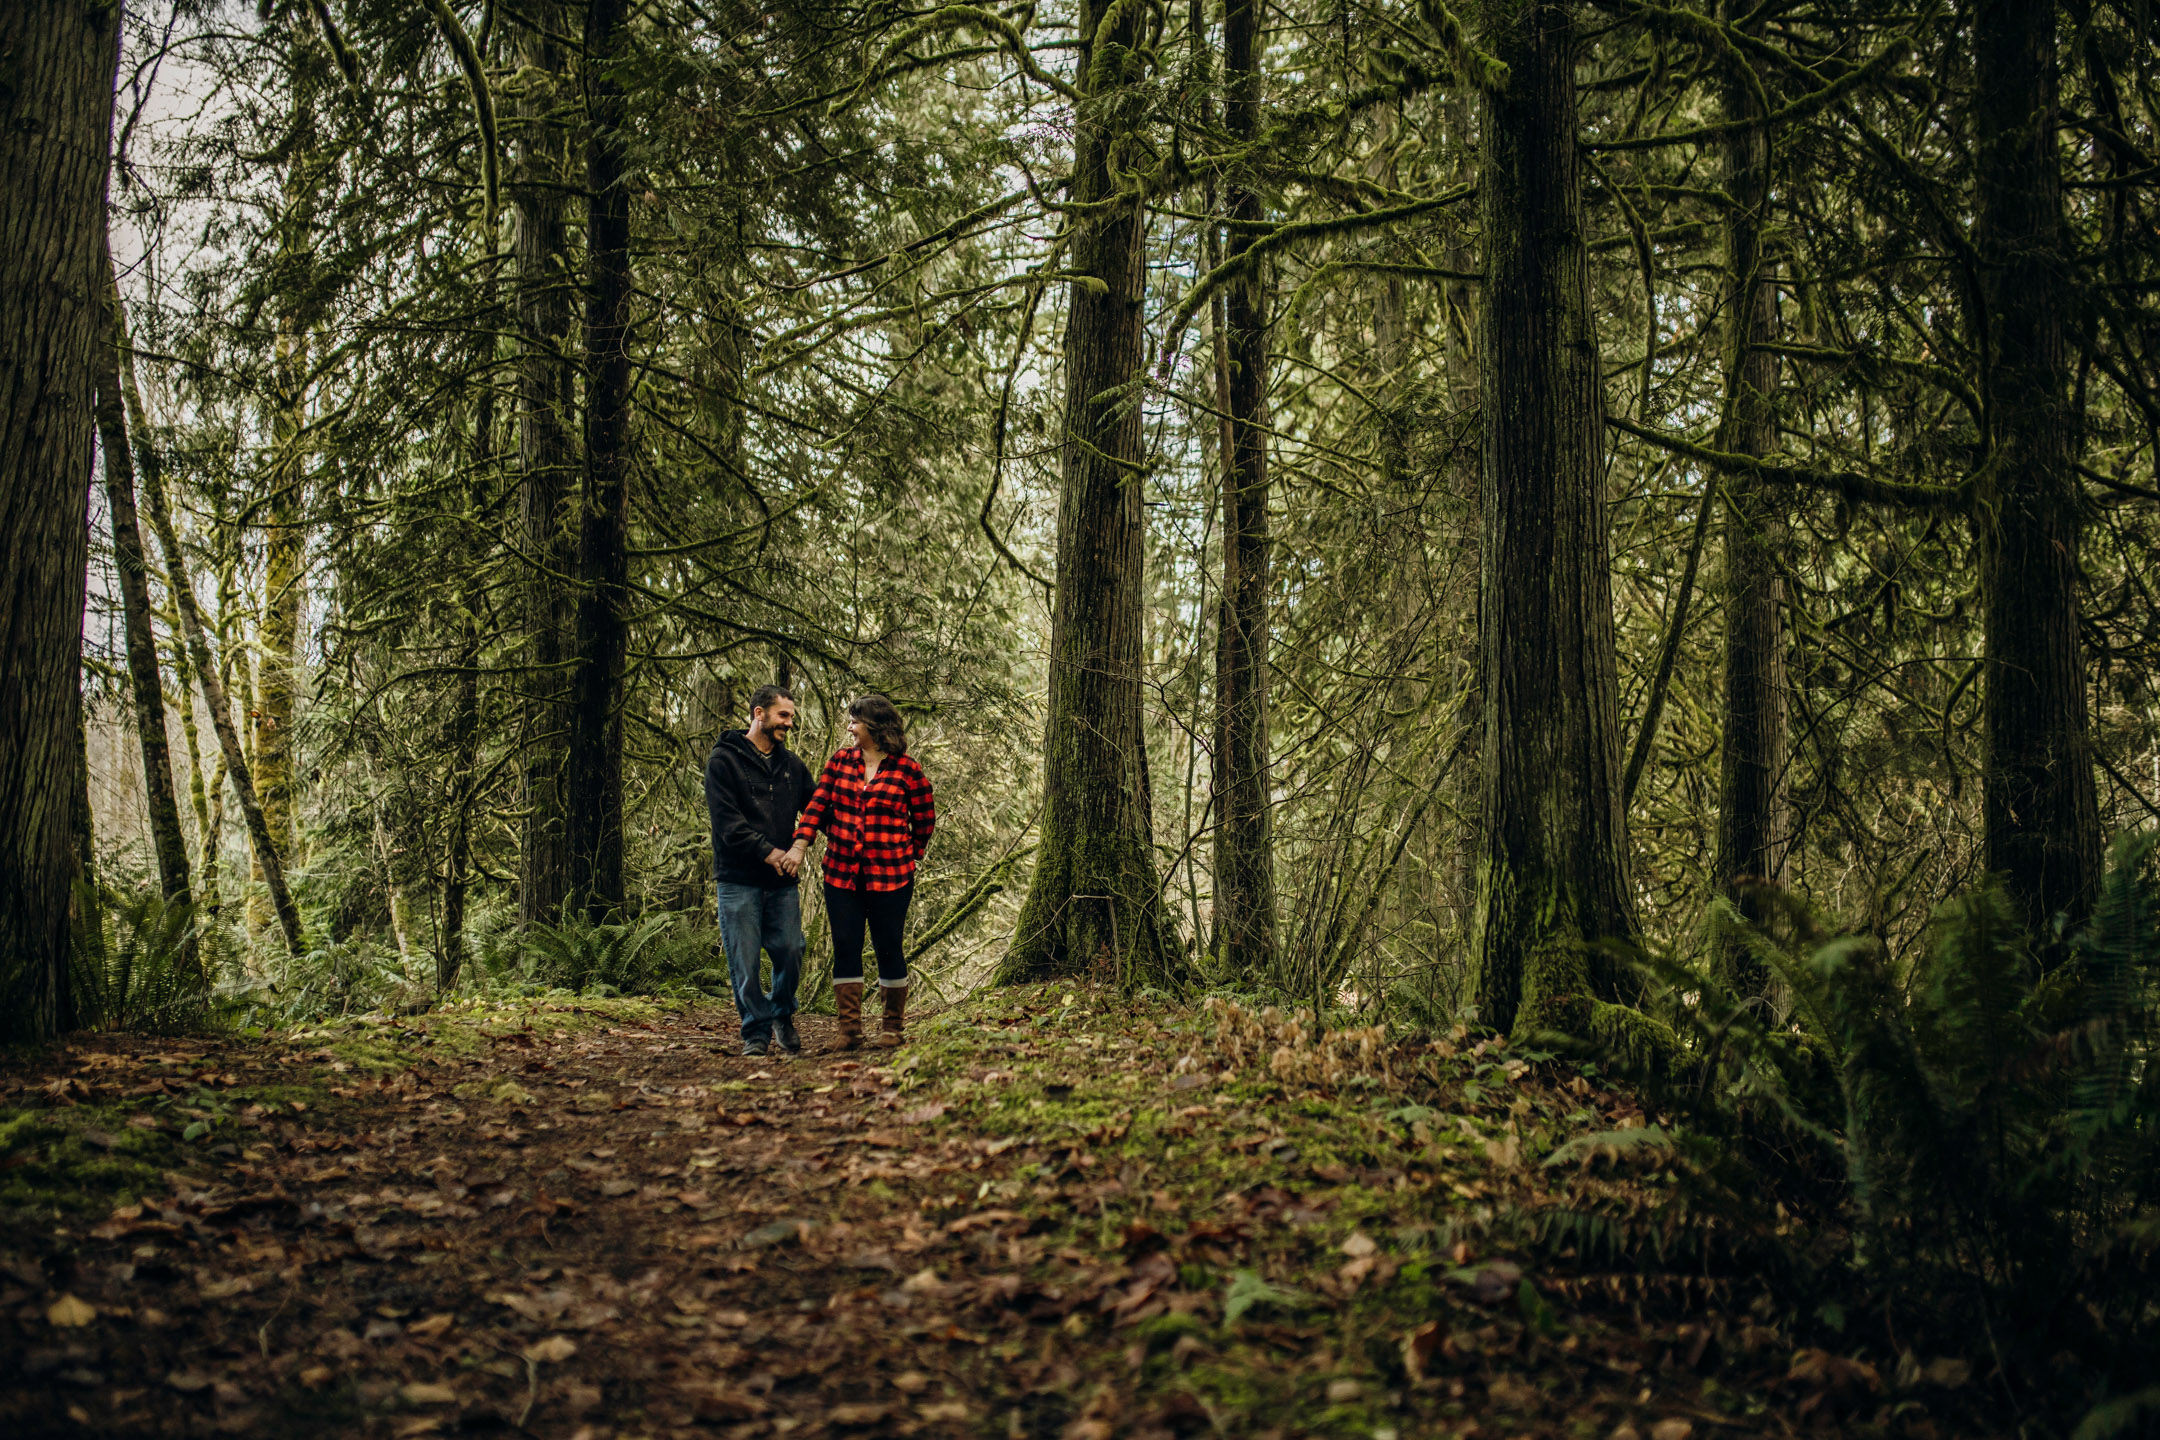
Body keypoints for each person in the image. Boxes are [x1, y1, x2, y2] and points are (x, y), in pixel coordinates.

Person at [785, 694, 936, 1049]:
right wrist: (800, 844)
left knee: (889, 948)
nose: (850, 728)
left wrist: (909, 853)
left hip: (892, 878)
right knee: (846, 947)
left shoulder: (907, 770)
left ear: (876, 726)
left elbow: (925, 818)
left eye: (855, 722)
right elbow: (817, 806)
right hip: (841, 874)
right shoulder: (840, 763)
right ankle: (849, 1031)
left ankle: (891, 1029)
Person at [704, 685, 815, 1056]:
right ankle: (755, 1032)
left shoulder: (793, 766)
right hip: (738, 880)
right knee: (745, 962)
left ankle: (782, 1012)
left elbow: (816, 810)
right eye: (784, 715)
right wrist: (770, 852)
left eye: (791, 717)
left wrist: (800, 845)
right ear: (759, 714)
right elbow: (726, 822)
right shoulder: (724, 761)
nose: (789, 723)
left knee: (791, 948)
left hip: (782, 881)